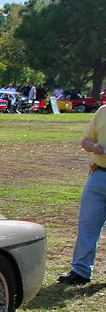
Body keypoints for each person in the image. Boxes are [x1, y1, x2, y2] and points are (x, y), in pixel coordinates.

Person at [58, 107, 106, 285]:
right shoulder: (102, 112)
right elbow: (85, 141)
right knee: (87, 223)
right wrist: (94, 147)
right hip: (98, 175)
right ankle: (81, 271)